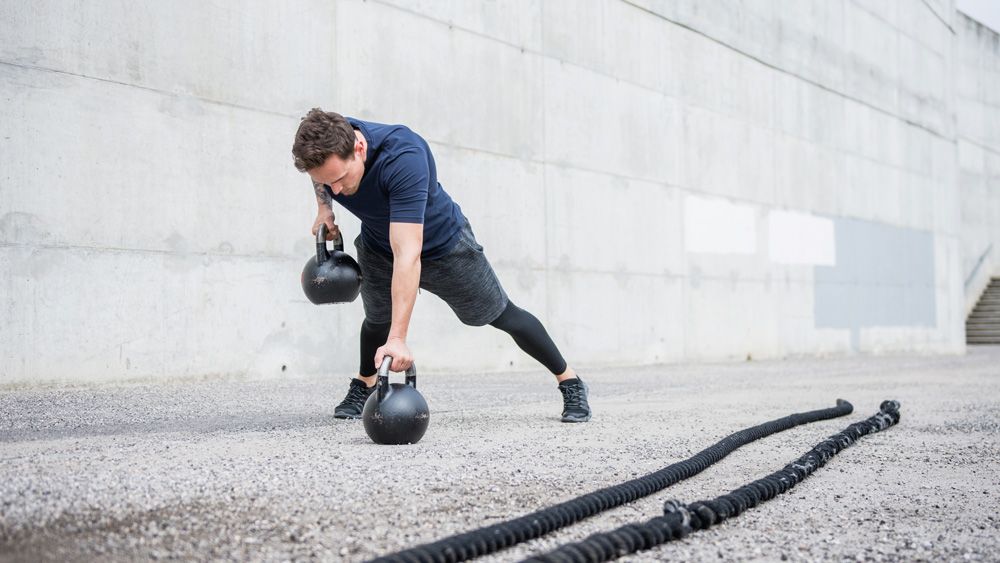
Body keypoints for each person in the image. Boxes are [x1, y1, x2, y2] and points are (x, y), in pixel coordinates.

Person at [291, 109, 591, 423]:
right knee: (377, 320)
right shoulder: (330, 141)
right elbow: (323, 180)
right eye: (327, 182)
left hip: (444, 247)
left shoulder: (404, 157)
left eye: (339, 180)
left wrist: (398, 340)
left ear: (359, 149)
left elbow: (407, 253)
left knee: (503, 315)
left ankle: (569, 380)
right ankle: (364, 383)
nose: (336, 189)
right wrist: (324, 208)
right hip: (378, 245)